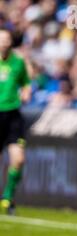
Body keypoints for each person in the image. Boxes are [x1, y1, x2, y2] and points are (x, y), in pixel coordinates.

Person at [0, 28, 31, 215]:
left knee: (18, 159)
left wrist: (26, 91)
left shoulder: (18, 62)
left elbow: (26, 82)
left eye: (6, 39)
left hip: (12, 115)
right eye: (0, 39)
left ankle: (8, 197)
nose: (3, 42)